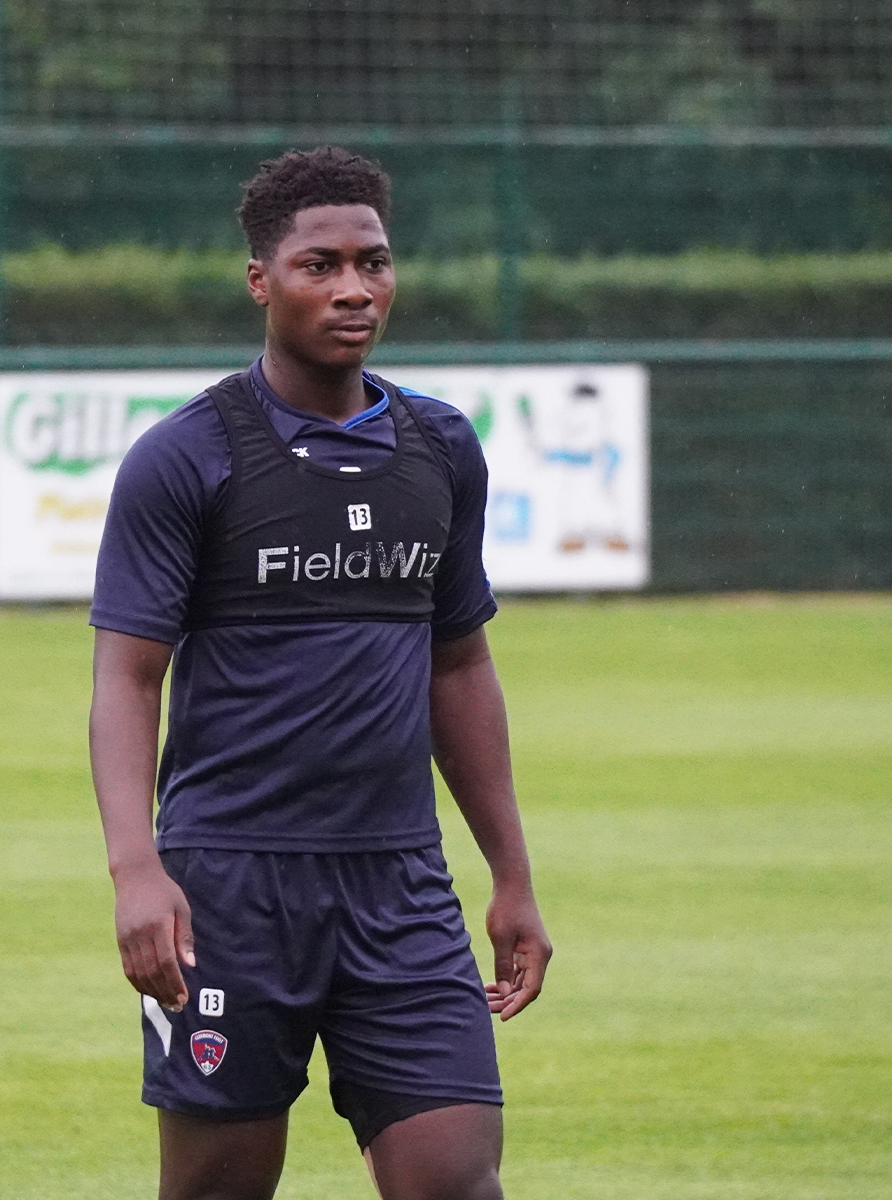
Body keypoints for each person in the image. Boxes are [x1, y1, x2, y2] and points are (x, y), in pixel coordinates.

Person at [87, 146, 552, 1200]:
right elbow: (126, 681)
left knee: (455, 1183)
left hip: (399, 887)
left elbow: (460, 661)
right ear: (261, 279)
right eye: (320, 265)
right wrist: (135, 871)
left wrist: (511, 874)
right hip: (229, 889)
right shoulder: (186, 456)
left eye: (374, 263)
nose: (354, 288)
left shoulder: (439, 448)